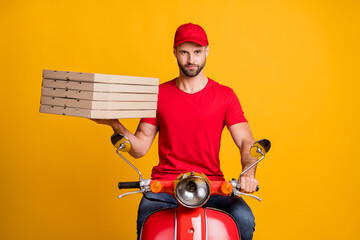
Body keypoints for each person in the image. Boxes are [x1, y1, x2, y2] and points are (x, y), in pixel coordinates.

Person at [92, 22, 259, 240]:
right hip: (165, 186)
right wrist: (113, 123)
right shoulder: (158, 94)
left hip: (212, 186)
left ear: (207, 51)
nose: (191, 60)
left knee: (244, 219)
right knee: (146, 224)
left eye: (197, 52)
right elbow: (140, 147)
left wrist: (248, 172)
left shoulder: (225, 95)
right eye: (185, 53)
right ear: (175, 53)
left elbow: (246, 140)